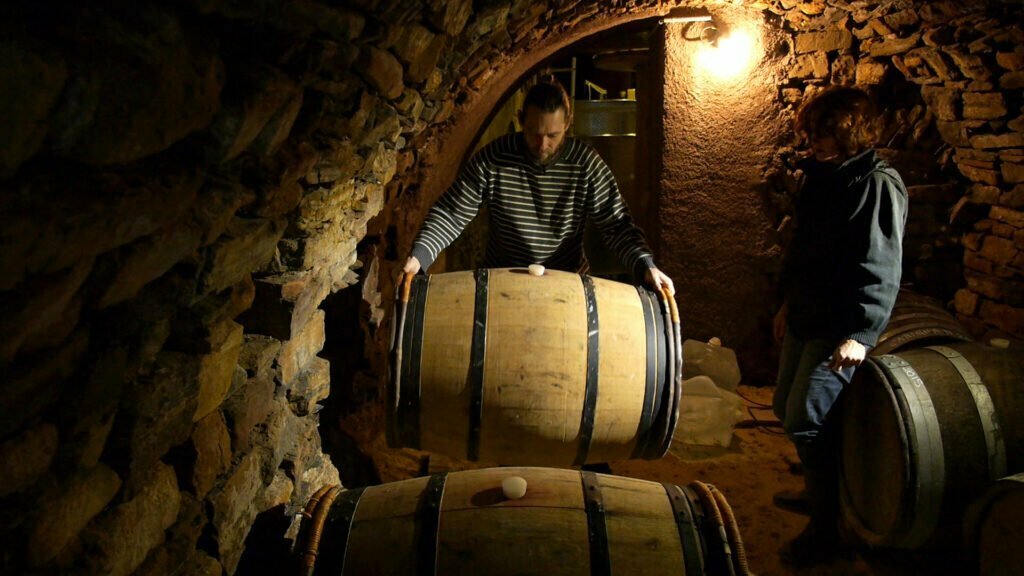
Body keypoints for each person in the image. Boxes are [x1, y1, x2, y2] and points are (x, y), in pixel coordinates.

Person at [772, 86, 908, 566]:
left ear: (850, 134)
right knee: (782, 405)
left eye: (823, 133)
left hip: (838, 325)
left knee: (806, 418)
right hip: (808, 313)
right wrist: (788, 303)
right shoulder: (823, 176)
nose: (812, 141)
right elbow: (803, 250)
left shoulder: (876, 183)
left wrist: (862, 334)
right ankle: (818, 491)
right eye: (811, 132)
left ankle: (828, 529)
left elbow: (881, 264)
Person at [401, 80, 674, 296]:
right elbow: (452, 212)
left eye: (552, 135)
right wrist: (420, 256)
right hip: (502, 283)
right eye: (533, 132)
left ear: (567, 123)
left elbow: (616, 224)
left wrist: (645, 265)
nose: (542, 145)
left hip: (567, 285)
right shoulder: (494, 158)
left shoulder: (585, 164)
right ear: (521, 119)